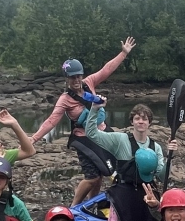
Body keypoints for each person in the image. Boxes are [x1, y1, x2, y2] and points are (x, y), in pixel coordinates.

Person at [30, 38, 137, 206]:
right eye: (72, 78)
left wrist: (124, 53)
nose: (76, 80)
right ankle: (74, 207)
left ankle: (91, 204)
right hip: (84, 139)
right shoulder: (65, 99)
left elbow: (106, 70)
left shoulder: (89, 83)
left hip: (101, 132)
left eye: (78, 76)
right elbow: (52, 121)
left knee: (103, 173)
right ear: (67, 79)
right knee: (92, 177)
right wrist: (34, 139)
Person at [85, 98, 171, 221]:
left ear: (149, 122)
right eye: (137, 118)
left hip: (145, 197)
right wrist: (95, 108)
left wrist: (170, 156)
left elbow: (162, 176)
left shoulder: (155, 147)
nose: (141, 121)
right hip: (122, 196)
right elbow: (91, 133)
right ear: (132, 122)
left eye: (144, 119)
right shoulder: (120, 140)